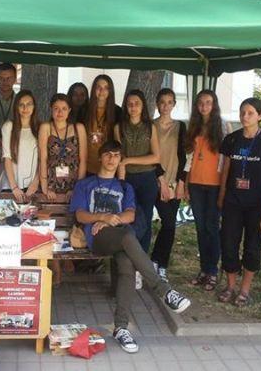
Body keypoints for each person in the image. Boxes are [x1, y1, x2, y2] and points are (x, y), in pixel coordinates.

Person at [70, 140, 190, 354]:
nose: (111, 159)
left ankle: (121, 327)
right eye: (107, 154)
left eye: (116, 155)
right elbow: (80, 214)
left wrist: (109, 221)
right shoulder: (85, 184)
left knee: (127, 264)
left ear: (120, 160)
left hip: (120, 238)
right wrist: (102, 217)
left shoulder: (125, 187)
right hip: (97, 239)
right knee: (127, 235)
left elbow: (130, 215)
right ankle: (162, 289)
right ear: (100, 157)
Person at [217, 98, 261, 306]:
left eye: (250, 113)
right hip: (233, 201)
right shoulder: (232, 139)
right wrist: (222, 195)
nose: (245, 116)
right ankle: (230, 286)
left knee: (252, 247)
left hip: (257, 204)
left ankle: (245, 290)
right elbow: (225, 170)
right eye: (242, 112)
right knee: (228, 243)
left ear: (260, 116)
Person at [184, 89, 227, 291]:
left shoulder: (222, 126)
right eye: (201, 102)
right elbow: (189, 159)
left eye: (208, 102)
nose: (204, 106)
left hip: (214, 185)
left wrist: (223, 187)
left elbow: (225, 160)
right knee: (200, 228)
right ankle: (203, 270)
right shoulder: (192, 126)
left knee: (212, 228)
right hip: (196, 184)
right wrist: (186, 184)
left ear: (214, 104)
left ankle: (213, 271)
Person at [114, 90, 160, 257]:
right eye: (130, 104)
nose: (133, 107)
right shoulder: (119, 127)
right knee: (128, 218)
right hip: (128, 178)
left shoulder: (150, 127)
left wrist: (129, 160)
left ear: (143, 106)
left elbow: (156, 157)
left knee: (145, 219)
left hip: (147, 178)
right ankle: (127, 258)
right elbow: (119, 158)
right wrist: (121, 182)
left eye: (137, 104)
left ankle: (142, 259)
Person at [150, 89, 187, 281]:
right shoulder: (151, 126)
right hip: (156, 181)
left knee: (169, 225)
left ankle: (159, 263)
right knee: (167, 223)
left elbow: (183, 156)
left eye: (169, 102)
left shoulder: (180, 126)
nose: (165, 106)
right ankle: (154, 263)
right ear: (157, 104)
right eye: (162, 102)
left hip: (174, 181)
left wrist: (181, 182)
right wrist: (161, 181)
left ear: (174, 104)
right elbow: (150, 156)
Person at [39, 94, 87, 201]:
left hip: (73, 184)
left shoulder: (78, 128)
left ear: (69, 110)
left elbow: (83, 160)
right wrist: (45, 187)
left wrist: (77, 188)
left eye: (64, 109)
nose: (60, 112)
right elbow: (43, 158)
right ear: (51, 109)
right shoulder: (46, 127)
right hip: (51, 184)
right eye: (56, 108)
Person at [0, 89, 40, 202]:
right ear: (16, 107)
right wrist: (14, 187)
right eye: (21, 104)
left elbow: (42, 159)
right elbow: (7, 157)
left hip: (32, 186)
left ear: (34, 106)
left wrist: (36, 182)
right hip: (10, 185)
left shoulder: (40, 128)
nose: (25, 108)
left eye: (29, 104)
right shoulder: (9, 126)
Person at [85, 75, 121, 175]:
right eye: (98, 87)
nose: (102, 91)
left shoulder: (117, 111)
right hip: (86, 165)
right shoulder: (84, 110)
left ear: (110, 91)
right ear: (93, 89)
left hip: (108, 167)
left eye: (106, 88)